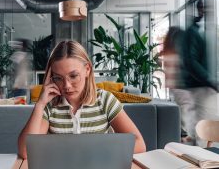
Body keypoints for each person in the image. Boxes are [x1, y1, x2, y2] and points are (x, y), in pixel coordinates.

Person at [18, 40, 146, 159]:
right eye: (58, 78)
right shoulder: (50, 105)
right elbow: (25, 152)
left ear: (87, 70)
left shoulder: (105, 100)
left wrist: (91, 151)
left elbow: (139, 145)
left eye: (73, 76)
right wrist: (40, 104)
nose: (66, 86)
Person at [181, 0, 218, 146]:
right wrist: (211, 81)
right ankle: (203, 161)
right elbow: (191, 61)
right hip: (202, 86)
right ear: (201, 9)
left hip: (207, 86)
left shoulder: (208, 29)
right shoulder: (194, 31)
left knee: (206, 124)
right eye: (208, 8)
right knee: (206, 128)